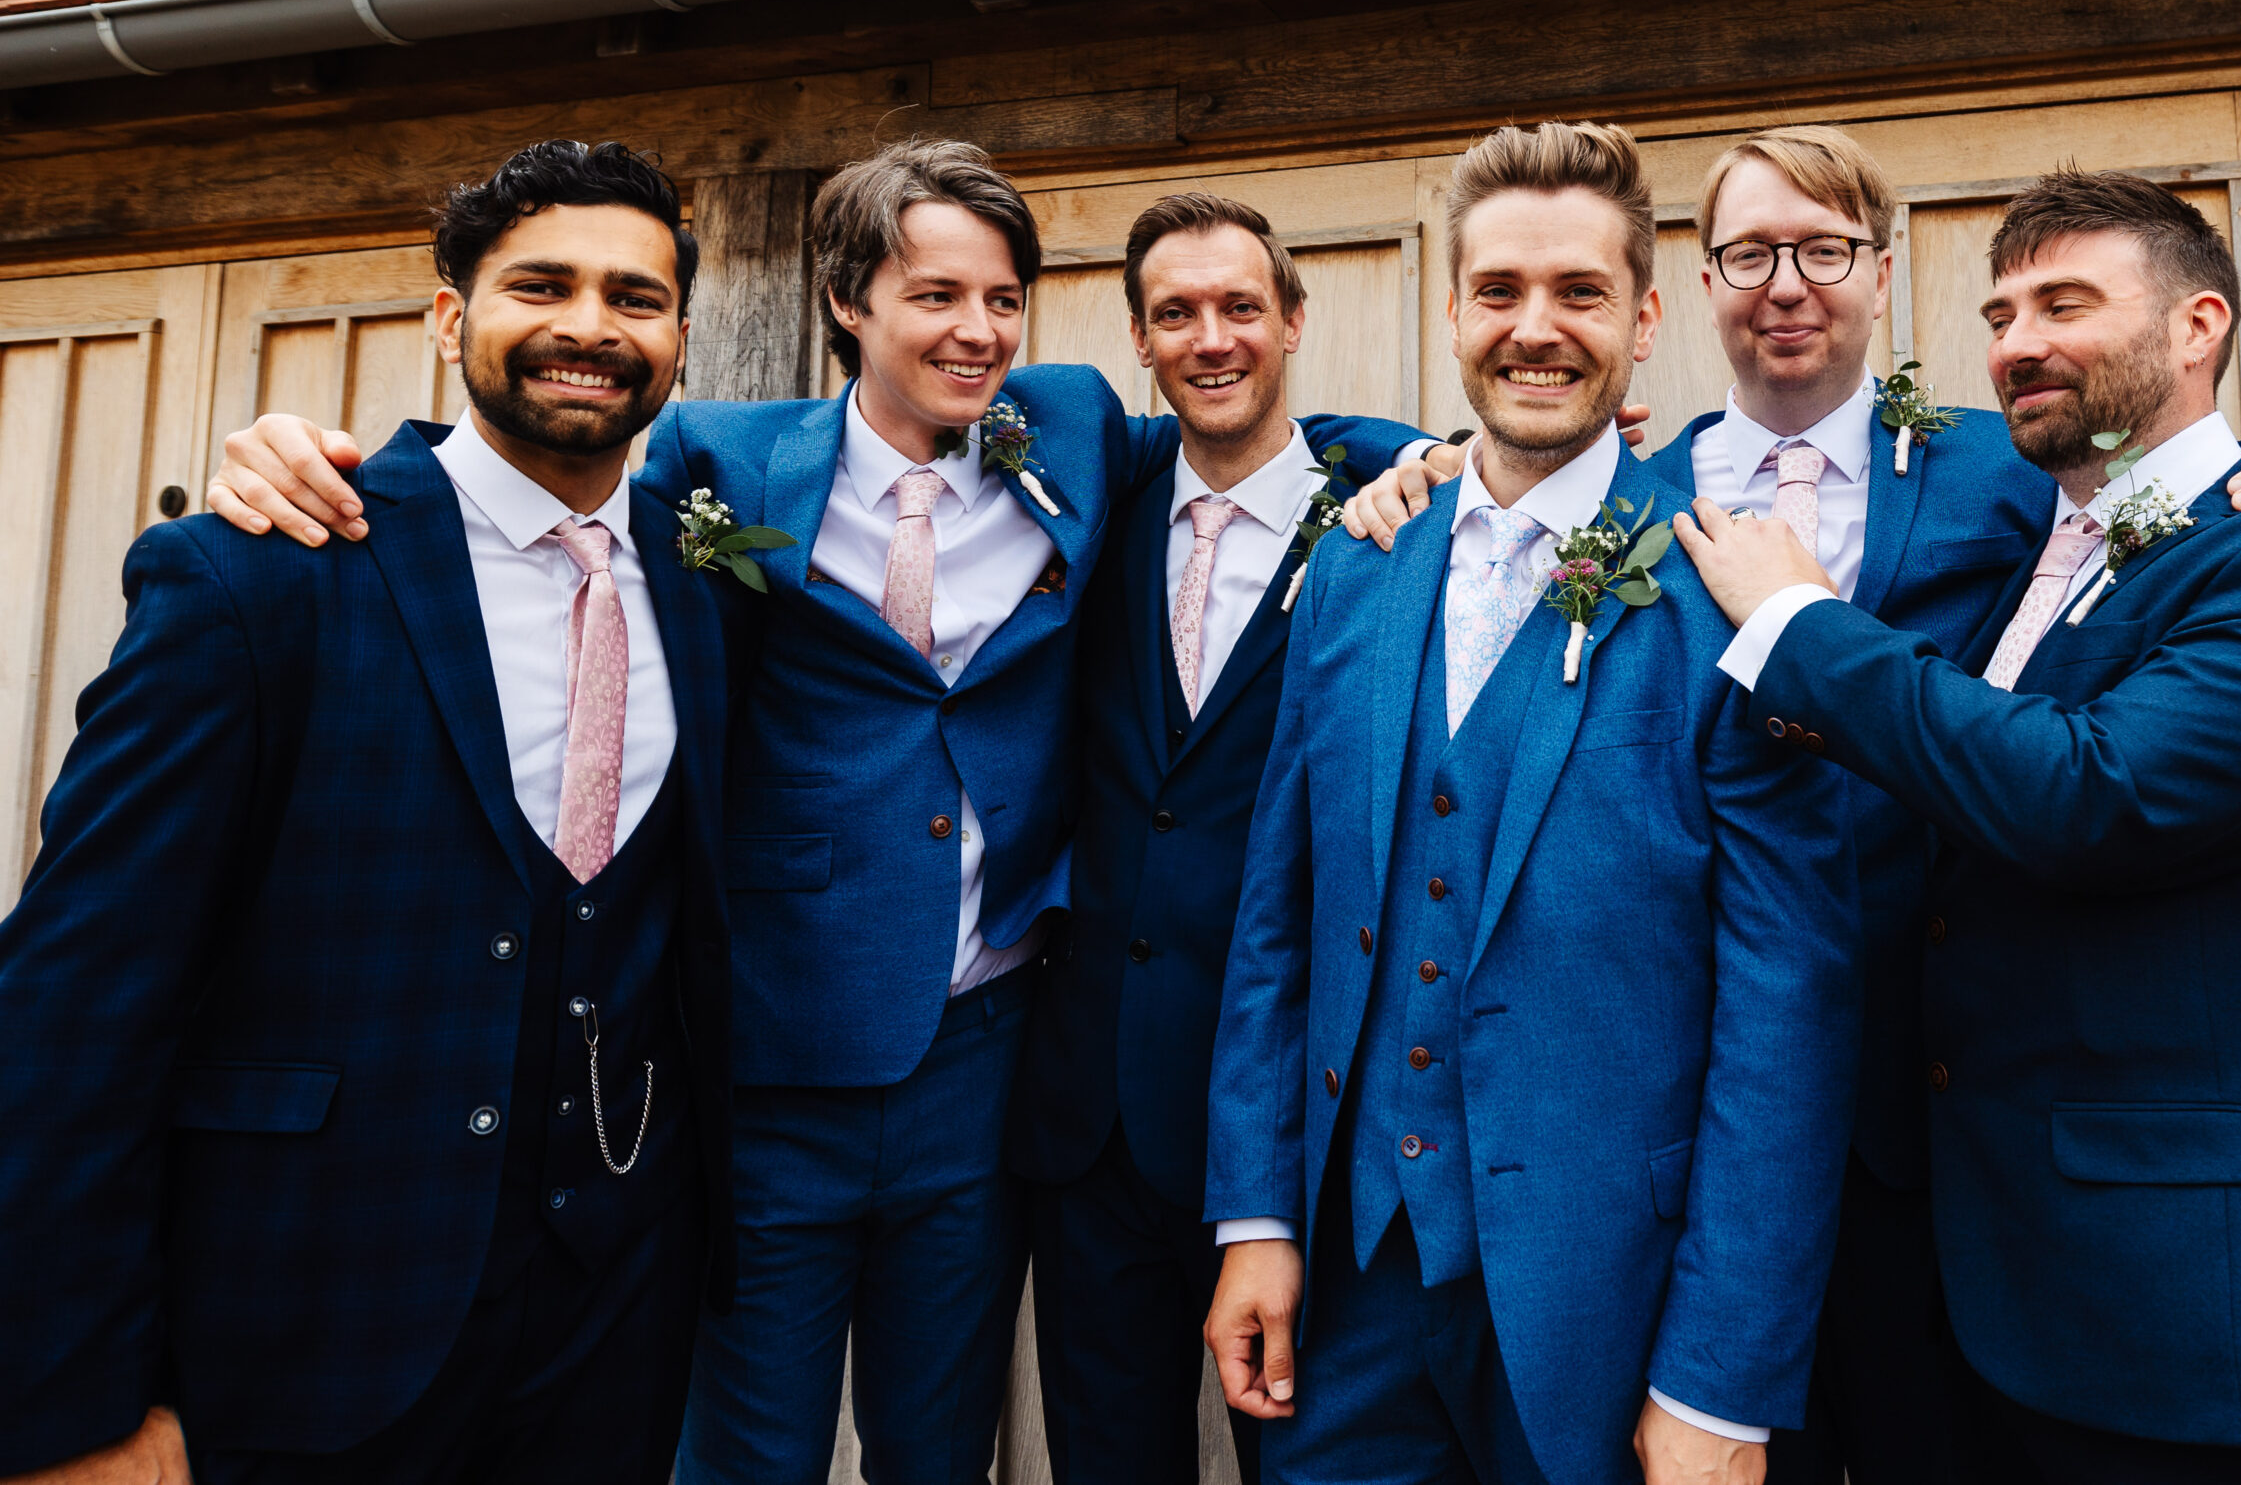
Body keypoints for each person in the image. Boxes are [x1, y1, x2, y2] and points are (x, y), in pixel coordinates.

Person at [206, 138, 1445, 1485]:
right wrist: (292, 454)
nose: (977, 332)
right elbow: (534, 463)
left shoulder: (1073, 432)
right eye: (934, 296)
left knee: (938, 1444)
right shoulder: (717, 462)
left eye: (1002, 299)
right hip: (771, 1062)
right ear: (847, 303)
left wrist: (1449, 458)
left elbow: (1246, 435)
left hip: (983, 1063)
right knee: (749, 1449)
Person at [1343, 124, 2241, 1483]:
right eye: (1748, 251)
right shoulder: (1639, 500)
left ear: (1879, 274)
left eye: (1824, 249)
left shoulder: (2020, 480)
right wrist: (1416, 468)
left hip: (2026, 1190)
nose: (1786, 282)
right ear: (1688, 292)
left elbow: (2158, 676)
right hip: (1714, 1142)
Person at [1674, 165, 2241, 1482]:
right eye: (2000, 316)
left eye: (2065, 304)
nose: (2020, 343)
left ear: (2200, 327)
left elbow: (2090, 793)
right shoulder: (2042, 553)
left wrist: (1797, 623)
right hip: (1987, 1316)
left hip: (2220, 1338)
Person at [0, 141, 733, 1484]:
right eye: (542, 286)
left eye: (634, 298)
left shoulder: (710, 574)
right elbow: (72, 1005)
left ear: (682, 335)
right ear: (450, 315)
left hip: (610, 1341)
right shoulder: (258, 574)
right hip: (306, 1328)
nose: (590, 326)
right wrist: (69, 1401)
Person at [1202, 121, 1863, 1485]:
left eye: (1579, 292)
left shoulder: (1728, 598)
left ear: (1644, 316)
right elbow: (1279, 928)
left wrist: (1723, 1381)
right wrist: (1256, 1217)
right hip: (1349, 1292)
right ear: (1451, 310)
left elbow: (1788, 1009)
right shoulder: (1354, 573)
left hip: (1608, 1314)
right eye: (1499, 290)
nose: (1535, 328)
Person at [1010, 192, 1340, 1485]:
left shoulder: (1389, 515)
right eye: (1177, 314)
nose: (1214, 339)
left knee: (1304, 1459)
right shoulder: (1092, 508)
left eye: (1241, 307)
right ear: (1141, 342)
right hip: (1089, 1114)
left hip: (1298, 1110)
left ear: (1293, 322)